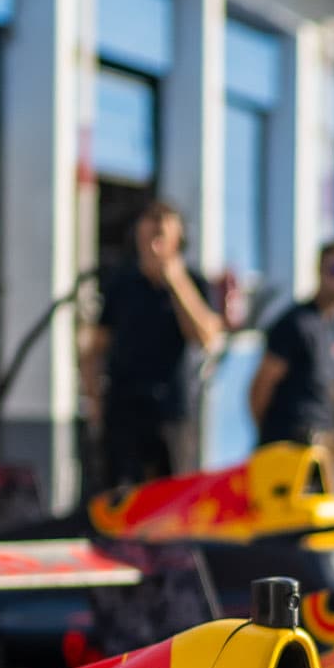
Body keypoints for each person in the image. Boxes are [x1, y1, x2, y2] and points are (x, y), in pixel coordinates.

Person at [84, 199, 226, 492]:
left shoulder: (194, 282)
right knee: (120, 495)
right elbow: (95, 347)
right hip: (124, 408)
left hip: (172, 411)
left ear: (178, 239)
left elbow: (207, 337)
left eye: (161, 234)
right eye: (148, 232)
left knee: (172, 495)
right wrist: (95, 400)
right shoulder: (122, 283)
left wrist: (175, 280)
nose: (153, 243)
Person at [252, 237, 334, 478]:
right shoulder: (296, 324)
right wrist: (274, 440)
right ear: (320, 272)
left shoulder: (329, 323)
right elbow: (261, 387)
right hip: (291, 447)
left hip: (320, 444)